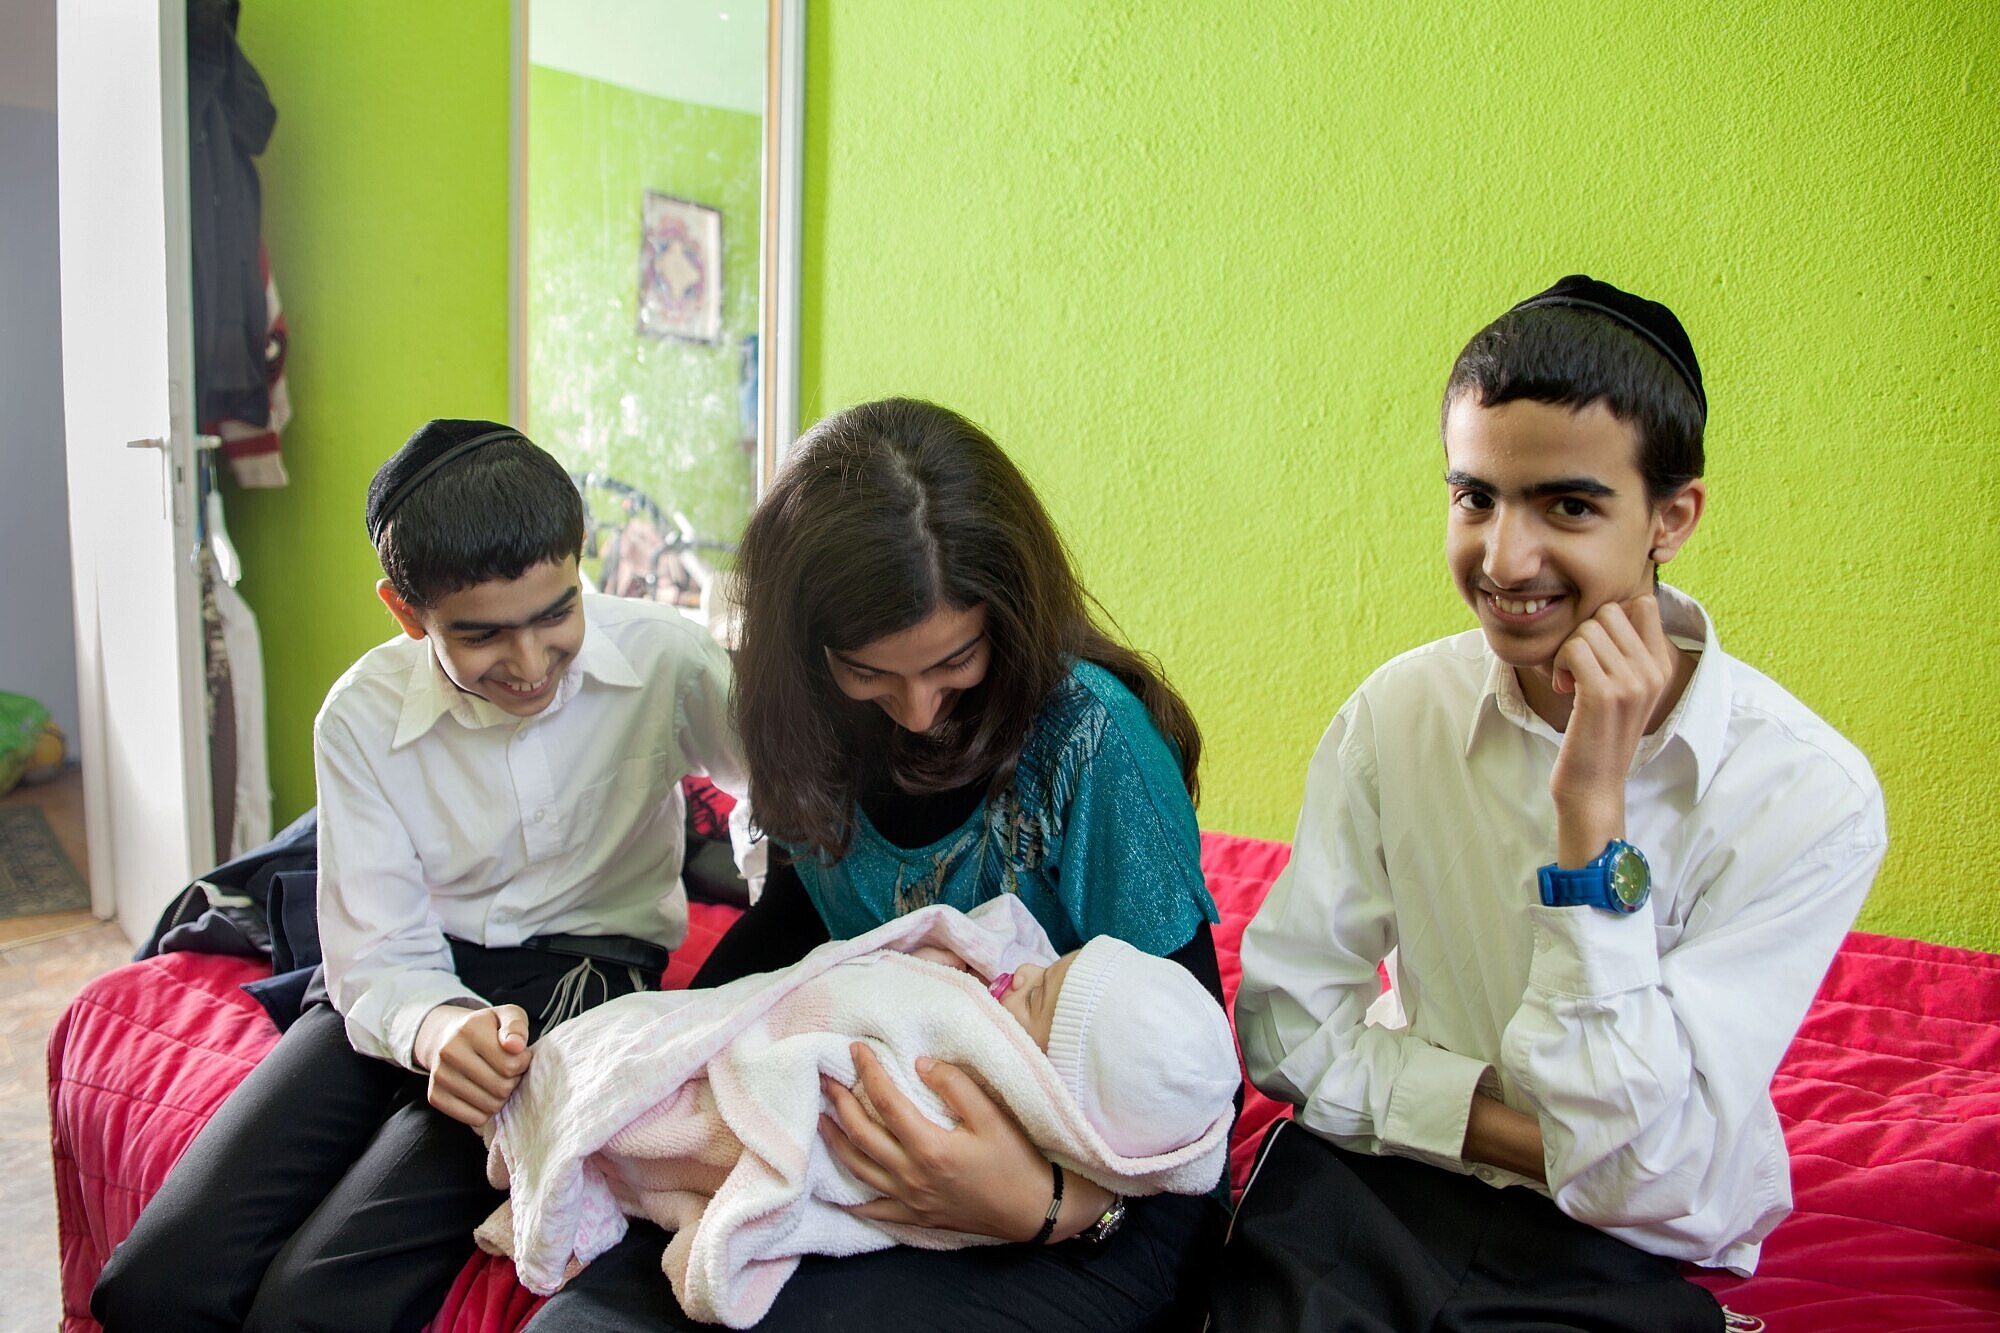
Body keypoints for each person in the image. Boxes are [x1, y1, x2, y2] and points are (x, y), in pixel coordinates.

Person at [1213, 276, 1888, 1331]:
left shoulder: (1810, 795)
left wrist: (1589, 812)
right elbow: (1286, 1026)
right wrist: (1520, 1135)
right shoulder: (1398, 711)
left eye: (1566, 505)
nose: (1502, 559)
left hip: (1622, 1250)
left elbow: (1643, 1169)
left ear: (1672, 515)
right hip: (1398, 1184)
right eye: (1473, 496)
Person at [525, 396, 1229, 1332]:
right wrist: (664, 1056)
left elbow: (1187, 1082)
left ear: (1006, 618)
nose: (917, 710)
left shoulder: (1089, 741)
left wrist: (1041, 1202)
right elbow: (793, 922)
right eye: (871, 672)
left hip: (1073, 1190)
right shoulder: (802, 717)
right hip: (847, 1133)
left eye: (955, 660)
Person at [94, 419, 750, 1333]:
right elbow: (375, 951)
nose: (529, 666)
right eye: (483, 636)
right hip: (405, 977)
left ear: (580, 562)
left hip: (580, 978)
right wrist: (437, 1028)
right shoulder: (360, 718)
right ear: (406, 613)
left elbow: (781, 777)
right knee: (152, 1284)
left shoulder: (664, 657)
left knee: (315, 1305)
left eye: (556, 613)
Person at [482, 898, 1240, 1328]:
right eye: (869, 673)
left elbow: (1168, 1138)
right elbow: (801, 967)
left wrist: (1059, 1205)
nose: (1027, 972)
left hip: (1072, 1230)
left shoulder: (1103, 756)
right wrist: (695, 1029)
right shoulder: (813, 735)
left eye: (947, 667)